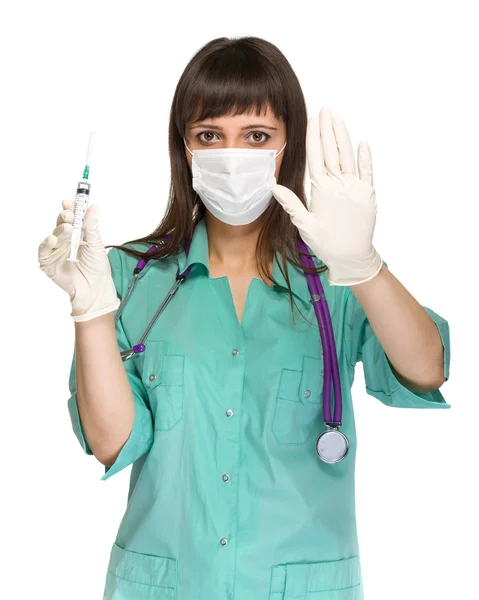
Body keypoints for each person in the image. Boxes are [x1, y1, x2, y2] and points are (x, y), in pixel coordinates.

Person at [38, 36, 451, 600]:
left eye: (257, 136)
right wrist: (89, 311)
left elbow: (426, 369)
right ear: (184, 148)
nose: (232, 156)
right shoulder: (127, 278)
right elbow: (114, 442)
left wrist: (366, 265)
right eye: (210, 135)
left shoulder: (339, 277)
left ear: (289, 146)